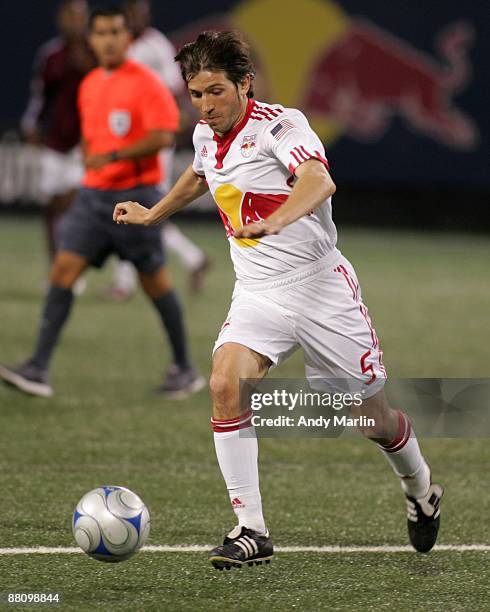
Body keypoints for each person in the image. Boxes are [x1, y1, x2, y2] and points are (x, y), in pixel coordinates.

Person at [112, 31, 444, 569]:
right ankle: (251, 529)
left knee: (370, 419)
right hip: (258, 292)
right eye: (196, 94)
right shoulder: (204, 133)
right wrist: (154, 213)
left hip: (319, 288)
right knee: (225, 382)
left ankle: (421, 487)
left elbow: (318, 180)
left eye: (216, 91)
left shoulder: (280, 125)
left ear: (245, 83)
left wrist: (279, 217)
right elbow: (200, 176)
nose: (206, 105)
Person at [0, 7, 204, 399]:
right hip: (93, 198)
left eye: (115, 32)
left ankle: (185, 368)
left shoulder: (146, 83)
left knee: (156, 283)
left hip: (135, 197)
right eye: (101, 33)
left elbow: (164, 134)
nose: (108, 40)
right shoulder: (90, 82)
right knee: (62, 271)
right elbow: (93, 137)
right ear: (90, 40)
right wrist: (94, 166)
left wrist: (113, 158)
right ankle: (38, 368)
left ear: (128, 39)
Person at [104, 0, 210, 300]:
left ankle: (124, 283)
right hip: (128, 139)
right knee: (135, 206)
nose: (138, 16)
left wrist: (172, 128)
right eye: (133, 10)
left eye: (142, 10)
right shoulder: (121, 46)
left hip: (151, 139)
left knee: (140, 205)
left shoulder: (155, 45)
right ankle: (192, 258)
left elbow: (176, 90)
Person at [21, 0, 95, 287]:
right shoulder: (51, 55)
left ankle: (74, 270)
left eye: (79, 17)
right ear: (60, 18)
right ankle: (57, 269)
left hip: (84, 144)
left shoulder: (94, 53)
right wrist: (31, 124)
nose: (74, 22)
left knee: (73, 205)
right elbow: (40, 95)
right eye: (69, 16)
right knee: (51, 210)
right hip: (55, 143)